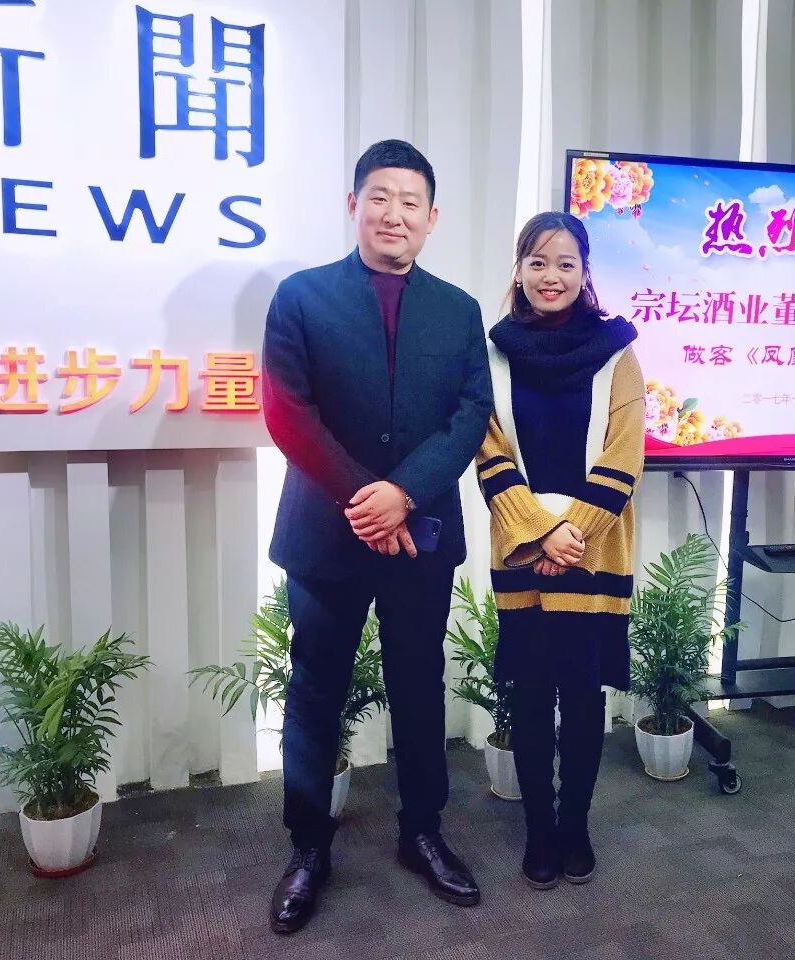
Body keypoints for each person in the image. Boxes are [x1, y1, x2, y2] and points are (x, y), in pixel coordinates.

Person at [261, 140, 492, 934]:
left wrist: (403, 494)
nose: (394, 213)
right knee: (314, 691)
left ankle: (422, 832)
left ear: (432, 218)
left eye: (410, 202)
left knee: (419, 686)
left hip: (419, 536)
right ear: (353, 204)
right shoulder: (302, 297)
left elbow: (471, 415)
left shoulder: (458, 310)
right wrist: (366, 499)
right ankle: (307, 847)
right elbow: (287, 411)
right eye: (380, 197)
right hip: (326, 536)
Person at [474, 211, 644, 891]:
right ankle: (539, 830)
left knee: (580, 694)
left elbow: (624, 456)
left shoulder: (617, 352)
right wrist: (539, 534)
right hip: (524, 554)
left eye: (566, 263)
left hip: (594, 555)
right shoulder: (493, 354)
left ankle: (575, 825)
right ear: (519, 270)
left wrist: (572, 535)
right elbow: (489, 455)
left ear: (585, 272)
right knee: (531, 692)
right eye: (538, 262)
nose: (552, 276)